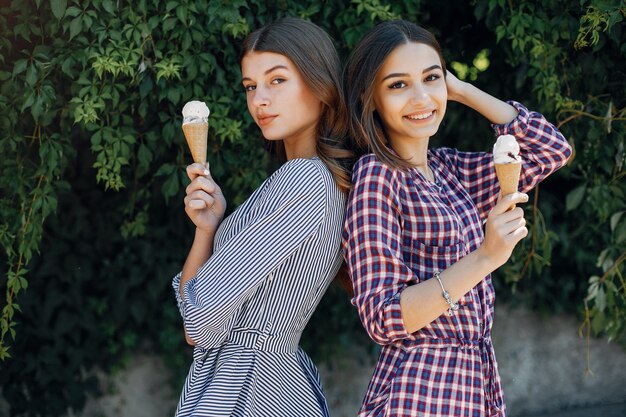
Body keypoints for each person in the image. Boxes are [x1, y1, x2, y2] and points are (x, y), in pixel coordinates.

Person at [342, 20, 572, 417]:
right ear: (371, 98)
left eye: (431, 78)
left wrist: (461, 89)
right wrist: (486, 257)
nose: (420, 98)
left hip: (475, 382)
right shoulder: (376, 176)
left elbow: (550, 149)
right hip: (420, 390)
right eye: (398, 85)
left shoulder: (450, 170)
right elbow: (382, 316)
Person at [172, 17, 352, 417]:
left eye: (277, 80)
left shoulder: (303, 179)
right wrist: (208, 229)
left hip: (248, 387)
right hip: (263, 381)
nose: (259, 100)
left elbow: (198, 322)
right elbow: (195, 326)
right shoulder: (305, 180)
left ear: (320, 84)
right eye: (251, 87)